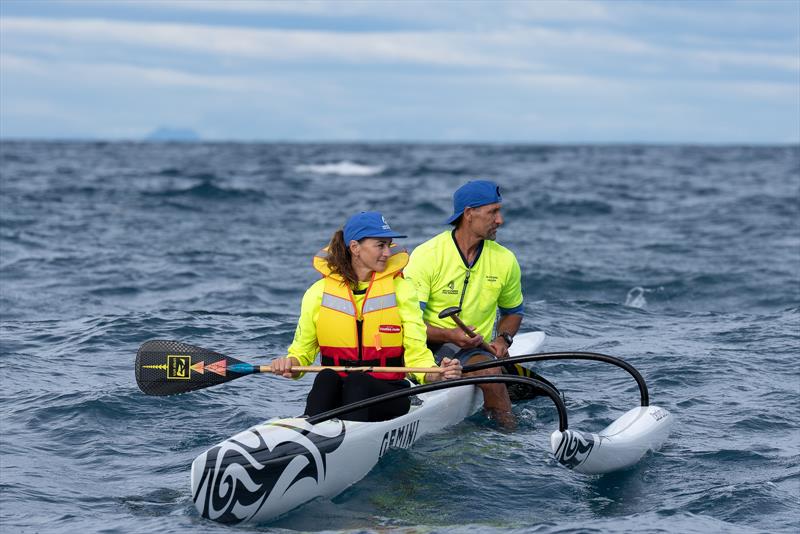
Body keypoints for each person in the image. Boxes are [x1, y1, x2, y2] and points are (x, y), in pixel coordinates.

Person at [270, 211, 462, 422]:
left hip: (390, 392)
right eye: (380, 245)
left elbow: (417, 354)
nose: (388, 253)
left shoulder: (402, 290)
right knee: (326, 377)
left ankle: (344, 442)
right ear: (355, 248)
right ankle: (309, 433)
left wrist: (436, 373)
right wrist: (290, 363)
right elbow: (302, 352)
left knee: (357, 381)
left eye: (388, 245)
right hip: (340, 394)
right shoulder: (318, 292)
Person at [403, 180, 523, 427]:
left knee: (491, 372)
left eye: (499, 211)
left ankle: (507, 444)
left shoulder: (505, 260)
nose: (499, 220)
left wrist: (503, 339)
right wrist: (449, 334)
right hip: (424, 344)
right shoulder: (427, 255)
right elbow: (408, 322)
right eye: (493, 212)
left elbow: (513, 312)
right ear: (469, 213)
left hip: (473, 351)